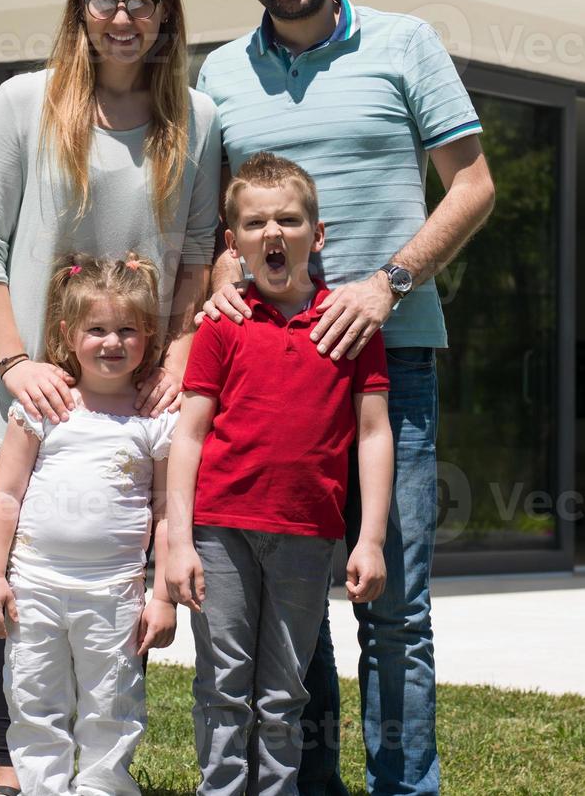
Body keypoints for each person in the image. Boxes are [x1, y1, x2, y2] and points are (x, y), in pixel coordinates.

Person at [194, 0, 496, 796]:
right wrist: (218, 284)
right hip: (266, 377)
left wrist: (386, 283)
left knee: (393, 608)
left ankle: (405, 787)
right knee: (293, 610)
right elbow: (217, 226)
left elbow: (474, 186)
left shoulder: (405, 44)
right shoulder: (219, 75)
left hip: (386, 365)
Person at [0, 0, 221, 796]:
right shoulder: (23, 103)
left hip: (133, 407)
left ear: (166, 13)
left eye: (142, 1)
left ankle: (106, 776)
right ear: (80, 7)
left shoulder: (198, 117)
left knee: (115, 595)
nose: (122, 18)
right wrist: (17, 361)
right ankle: (14, 777)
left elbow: (196, 254)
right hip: (27, 398)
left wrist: (179, 354)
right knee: (22, 604)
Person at [165, 153, 395, 795]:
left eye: (289, 221)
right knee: (224, 684)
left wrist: (369, 539)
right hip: (220, 532)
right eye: (255, 222)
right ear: (232, 240)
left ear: (315, 236)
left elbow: (374, 435)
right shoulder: (223, 324)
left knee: (284, 690)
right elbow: (189, 434)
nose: (273, 234)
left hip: (305, 534)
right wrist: (178, 540)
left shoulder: (349, 327)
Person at [0, 253, 179, 796]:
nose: (112, 342)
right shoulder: (44, 408)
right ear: (68, 333)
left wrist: (162, 596)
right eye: (97, 329)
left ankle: (102, 788)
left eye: (127, 330)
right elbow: (5, 496)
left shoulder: (154, 418)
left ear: (148, 335)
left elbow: (167, 511)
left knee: (110, 705)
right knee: (34, 700)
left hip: (115, 594)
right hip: (35, 587)